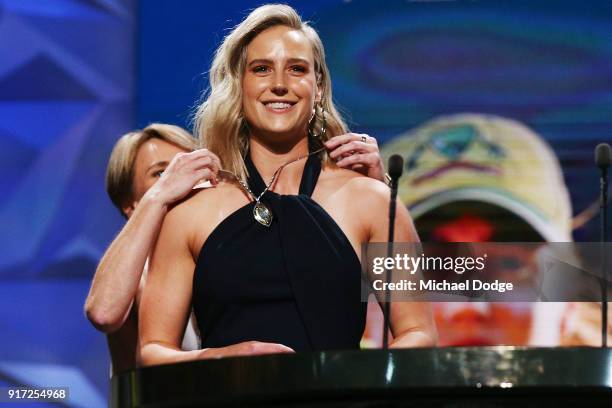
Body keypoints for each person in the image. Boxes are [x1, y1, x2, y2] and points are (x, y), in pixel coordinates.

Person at [139, 4, 437, 365]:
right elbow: (152, 351)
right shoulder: (189, 212)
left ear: (319, 85)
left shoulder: (371, 200)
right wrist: (223, 359)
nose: (279, 84)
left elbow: (418, 334)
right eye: (261, 69)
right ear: (239, 84)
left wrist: (344, 378)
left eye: (297, 69)